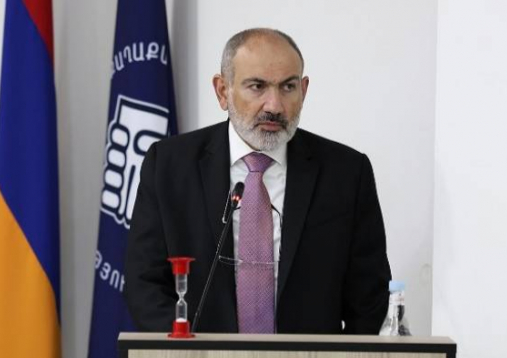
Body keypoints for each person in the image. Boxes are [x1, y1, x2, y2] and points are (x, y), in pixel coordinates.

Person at [124, 28, 391, 334]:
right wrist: (187, 354)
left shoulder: (346, 173)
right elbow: (144, 284)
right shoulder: (170, 166)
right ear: (222, 91)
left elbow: (369, 298)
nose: (274, 106)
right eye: (257, 86)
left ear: (304, 90)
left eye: (288, 87)